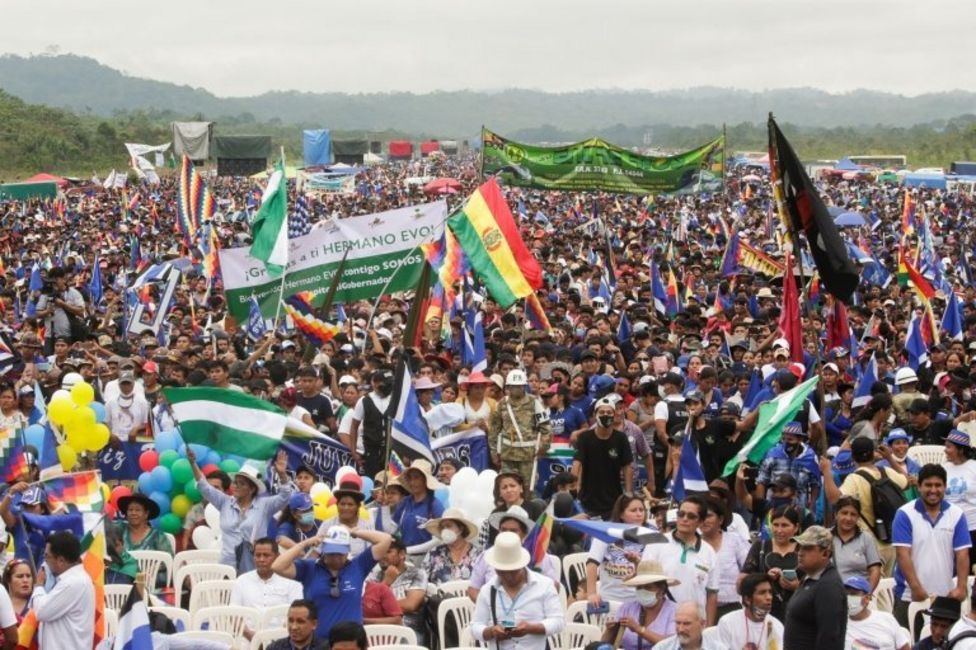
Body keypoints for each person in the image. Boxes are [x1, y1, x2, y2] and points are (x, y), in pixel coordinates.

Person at [271, 525, 393, 640]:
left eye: (340, 553)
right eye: (331, 553)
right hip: (318, 642)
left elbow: (385, 539)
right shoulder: (310, 568)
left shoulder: (359, 565)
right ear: (324, 550)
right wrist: (305, 543)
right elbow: (277, 566)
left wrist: (354, 532)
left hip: (351, 641)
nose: (335, 557)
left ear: (347, 551)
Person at [187, 447, 295, 570]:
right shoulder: (225, 502)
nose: (236, 486)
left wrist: (282, 474)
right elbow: (203, 486)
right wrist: (192, 463)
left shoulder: (264, 505)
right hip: (227, 567)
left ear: (252, 489)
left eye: (242, 483)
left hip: (254, 568)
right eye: (235, 482)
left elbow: (285, 496)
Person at [892, 463, 971, 628]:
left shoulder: (957, 514)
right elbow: (902, 554)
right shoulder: (905, 514)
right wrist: (916, 588)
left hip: (945, 597)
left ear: (945, 487)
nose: (933, 490)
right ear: (919, 486)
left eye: (938, 485)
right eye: (928, 485)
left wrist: (961, 587)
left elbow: (962, 554)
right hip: (909, 596)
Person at [822, 436, 908, 574]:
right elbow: (907, 481)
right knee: (885, 592)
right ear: (873, 453)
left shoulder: (854, 479)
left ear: (853, 456)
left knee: (871, 590)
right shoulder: (885, 471)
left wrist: (826, 471)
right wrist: (890, 459)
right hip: (891, 543)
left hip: (869, 545)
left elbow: (835, 499)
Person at [469, 531, 564, 649]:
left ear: (522, 565)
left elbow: (558, 621)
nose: (508, 576)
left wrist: (531, 628)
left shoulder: (544, 585)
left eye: (513, 571)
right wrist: (491, 631)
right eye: (502, 572)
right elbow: (475, 626)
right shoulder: (488, 590)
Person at [641, 495, 720, 626]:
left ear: (700, 522)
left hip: (693, 621)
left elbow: (712, 593)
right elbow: (644, 581)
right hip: (658, 619)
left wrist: (709, 628)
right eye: (681, 514)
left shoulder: (709, 552)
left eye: (691, 516)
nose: (684, 519)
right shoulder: (656, 542)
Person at [467, 505, 560, 602]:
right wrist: (490, 606)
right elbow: (473, 589)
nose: (507, 533)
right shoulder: (487, 556)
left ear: (524, 534)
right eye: (503, 530)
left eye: (513, 531)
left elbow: (554, 586)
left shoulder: (537, 554)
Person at [782, 525, 847, 650]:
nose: (800, 552)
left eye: (807, 548)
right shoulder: (810, 578)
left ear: (825, 554)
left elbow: (829, 638)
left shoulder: (828, 586)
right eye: (799, 547)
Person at [572, 396, 634, 519]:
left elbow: (628, 467)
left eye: (609, 412)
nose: (605, 415)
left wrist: (628, 493)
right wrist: (574, 489)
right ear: (595, 415)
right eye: (601, 412)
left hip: (614, 500)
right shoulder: (585, 438)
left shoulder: (621, 438)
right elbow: (577, 464)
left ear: (614, 414)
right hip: (588, 499)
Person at [488, 369, 552, 488]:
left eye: (519, 386)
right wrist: (493, 452)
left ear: (524, 386)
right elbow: (494, 430)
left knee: (527, 487)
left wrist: (543, 447)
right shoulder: (501, 404)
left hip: (527, 455)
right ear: (508, 387)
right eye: (513, 386)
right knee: (508, 486)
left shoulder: (534, 402)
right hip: (507, 454)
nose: (516, 389)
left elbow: (545, 427)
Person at [230, 537, 303, 640]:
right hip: (247, 639)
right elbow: (234, 616)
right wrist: (251, 636)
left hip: (281, 639)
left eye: (266, 555)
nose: (261, 559)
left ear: (277, 556)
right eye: (258, 555)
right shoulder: (241, 581)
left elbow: (297, 615)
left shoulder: (292, 584)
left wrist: (278, 639)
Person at [585, 494, 651, 606]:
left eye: (641, 510)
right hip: (610, 601)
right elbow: (592, 564)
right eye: (633, 510)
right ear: (621, 514)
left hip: (640, 602)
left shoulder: (650, 535)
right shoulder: (605, 534)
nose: (639, 514)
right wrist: (591, 594)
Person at [32, 531, 95, 648]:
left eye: (47, 557)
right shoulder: (71, 579)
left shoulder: (73, 583)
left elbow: (41, 612)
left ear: (61, 560)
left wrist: (39, 585)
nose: (45, 563)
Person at [740, 504, 802, 622]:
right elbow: (743, 580)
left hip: (798, 612)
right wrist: (765, 578)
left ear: (796, 527)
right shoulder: (760, 547)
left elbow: (815, 582)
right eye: (775, 525)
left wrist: (797, 586)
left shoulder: (803, 549)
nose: (779, 530)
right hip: (764, 613)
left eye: (784, 525)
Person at [599, 559, 678, 649]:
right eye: (639, 587)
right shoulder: (626, 608)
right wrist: (610, 630)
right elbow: (604, 645)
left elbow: (671, 645)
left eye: (648, 587)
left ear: (661, 590)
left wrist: (639, 629)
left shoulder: (674, 611)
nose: (642, 591)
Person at [701, 496, 749, 618]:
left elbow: (750, 569)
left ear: (721, 519)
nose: (704, 520)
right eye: (701, 516)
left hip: (731, 608)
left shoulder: (734, 540)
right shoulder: (693, 543)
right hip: (700, 609)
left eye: (709, 516)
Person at [375, 539, 428, 646]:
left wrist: (379, 606)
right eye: (381, 552)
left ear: (402, 554)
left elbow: (410, 605)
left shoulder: (417, 574)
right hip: (380, 631)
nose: (383, 556)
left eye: (388, 552)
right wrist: (386, 582)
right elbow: (368, 606)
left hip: (409, 631)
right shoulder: (376, 576)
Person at [716, 573, 784, 649]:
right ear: (747, 599)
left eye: (770, 592)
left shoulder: (777, 626)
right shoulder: (727, 622)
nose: (769, 597)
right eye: (762, 593)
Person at [391, 459, 445, 556]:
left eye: (416, 478)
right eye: (410, 478)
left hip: (426, 558)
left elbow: (441, 536)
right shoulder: (404, 502)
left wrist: (411, 550)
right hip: (404, 556)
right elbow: (394, 527)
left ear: (425, 480)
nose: (412, 482)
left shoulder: (435, 505)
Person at [844, 575, 911, 650]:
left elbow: (905, 648)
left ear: (867, 598)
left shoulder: (887, 619)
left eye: (853, 594)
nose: (848, 597)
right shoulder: (838, 624)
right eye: (845, 594)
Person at [831, 495, 883, 590]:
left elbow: (875, 569)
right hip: (830, 594)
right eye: (844, 513)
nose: (848, 518)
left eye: (853, 514)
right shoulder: (826, 537)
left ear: (858, 517)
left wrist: (868, 593)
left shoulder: (866, 538)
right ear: (836, 515)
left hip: (857, 595)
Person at [421, 507, 480, 585]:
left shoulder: (478, 554)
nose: (445, 530)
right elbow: (421, 581)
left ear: (461, 529)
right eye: (442, 527)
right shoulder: (434, 553)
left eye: (448, 526)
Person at [942, 429, 976, 564]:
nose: (945, 450)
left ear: (960, 450)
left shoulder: (973, 467)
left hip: (972, 527)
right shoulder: (943, 468)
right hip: (949, 527)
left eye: (949, 447)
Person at [652, 601, 723, 650]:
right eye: (678, 623)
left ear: (702, 624)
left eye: (686, 624)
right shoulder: (662, 648)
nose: (681, 629)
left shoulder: (717, 648)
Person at [2, 559, 33, 623]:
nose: (25, 580)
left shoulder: (37, 603)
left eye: (28, 576)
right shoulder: (1, 603)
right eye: (20, 576)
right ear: (8, 580)